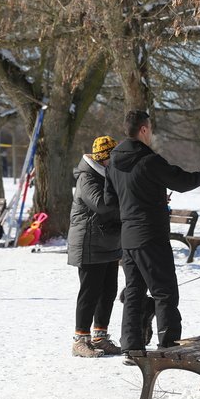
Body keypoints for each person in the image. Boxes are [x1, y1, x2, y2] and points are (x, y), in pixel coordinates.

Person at [104, 110, 200, 362]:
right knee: (164, 291)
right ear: (144, 129)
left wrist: (145, 199)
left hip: (128, 237)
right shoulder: (148, 160)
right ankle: (169, 345)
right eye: (150, 129)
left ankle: (131, 347)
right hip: (151, 236)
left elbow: (110, 201)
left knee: (134, 291)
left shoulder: (113, 163)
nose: (151, 133)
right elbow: (181, 181)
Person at [67, 135, 123, 358]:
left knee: (108, 291)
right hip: (89, 241)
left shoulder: (109, 175)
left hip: (108, 241)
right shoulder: (88, 178)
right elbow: (101, 205)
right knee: (90, 292)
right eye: (113, 157)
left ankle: (100, 336)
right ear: (103, 158)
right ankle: (80, 339)